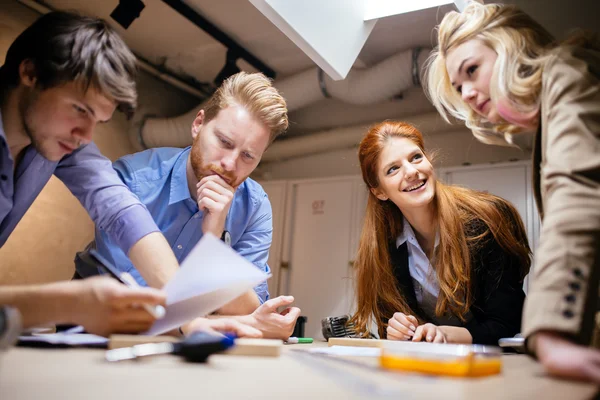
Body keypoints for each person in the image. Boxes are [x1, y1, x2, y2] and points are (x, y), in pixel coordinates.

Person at [0, 11, 251, 338]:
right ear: (30, 72)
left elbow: (123, 213)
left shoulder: (62, 140)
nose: (86, 136)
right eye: (80, 109)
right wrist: (69, 303)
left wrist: (185, 317)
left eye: (98, 121)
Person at [425, 1, 600, 382]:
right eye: (459, 87)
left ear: (510, 45)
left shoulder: (566, 72)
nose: (468, 93)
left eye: (472, 70)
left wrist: (551, 328)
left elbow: (579, 194)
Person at [83, 72, 300, 339]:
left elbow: (249, 306)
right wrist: (230, 319)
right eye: (224, 142)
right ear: (198, 124)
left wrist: (213, 238)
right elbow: (134, 303)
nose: (230, 164)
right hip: (100, 335)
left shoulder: (255, 206)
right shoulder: (133, 180)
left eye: (247, 155)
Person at [350, 121, 531, 345]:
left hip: (499, 363)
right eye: (393, 169)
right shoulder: (383, 248)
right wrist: (397, 330)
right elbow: (390, 324)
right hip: (430, 368)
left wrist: (445, 334)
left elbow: (507, 322)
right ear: (379, 191)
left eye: (416, 157)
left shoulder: (488, 219)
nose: (411, 171)